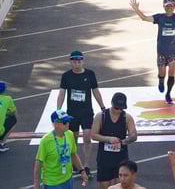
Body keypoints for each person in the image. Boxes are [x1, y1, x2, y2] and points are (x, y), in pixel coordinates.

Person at [129, 0, 175, 104]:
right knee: (162, 73)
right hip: (161, 52)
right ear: (164, 7)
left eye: (171, 6)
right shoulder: (159, 17)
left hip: (173, 53)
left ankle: (168, 93)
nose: (169, 8)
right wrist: (136, 9)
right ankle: (161, 81)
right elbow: (144, 18)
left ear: (174, 7)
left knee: (171, 74)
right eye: (167, 6)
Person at [58, 51, 105, 180]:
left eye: (79, 61)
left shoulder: (90, 74)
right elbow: (62, 93)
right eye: (74, 61)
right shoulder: (66, 76)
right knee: (73, 139)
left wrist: (102, 107)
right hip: (72, 113)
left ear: (83, 62)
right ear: (70, 62)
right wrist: (58, 109)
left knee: (86, 136)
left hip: (86, 112)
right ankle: (75, 163)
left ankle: (86, 165)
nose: (77, 64)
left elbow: (96, 91)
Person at [90, 92, 138, 189]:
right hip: (104, 158)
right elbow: (93, 135)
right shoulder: (101, 116)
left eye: (121, 108)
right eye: (117, 108)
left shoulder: (127, 117)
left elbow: (134, 135)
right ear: (112, 104)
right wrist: (108, 139)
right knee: (105, 186)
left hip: (120, 158)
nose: (119, 110)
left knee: (120, 186)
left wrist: (123, 141)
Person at [34, 109, 89, 189]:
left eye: (68, 121)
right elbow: (38, 164)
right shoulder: (45, 141)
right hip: (52, 183)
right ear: (56, 124)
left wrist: (82, 171)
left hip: (68, 179)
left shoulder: (69, 134)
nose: (68, 124)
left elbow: (73, 154)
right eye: (65, 122)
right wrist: (37, 185)